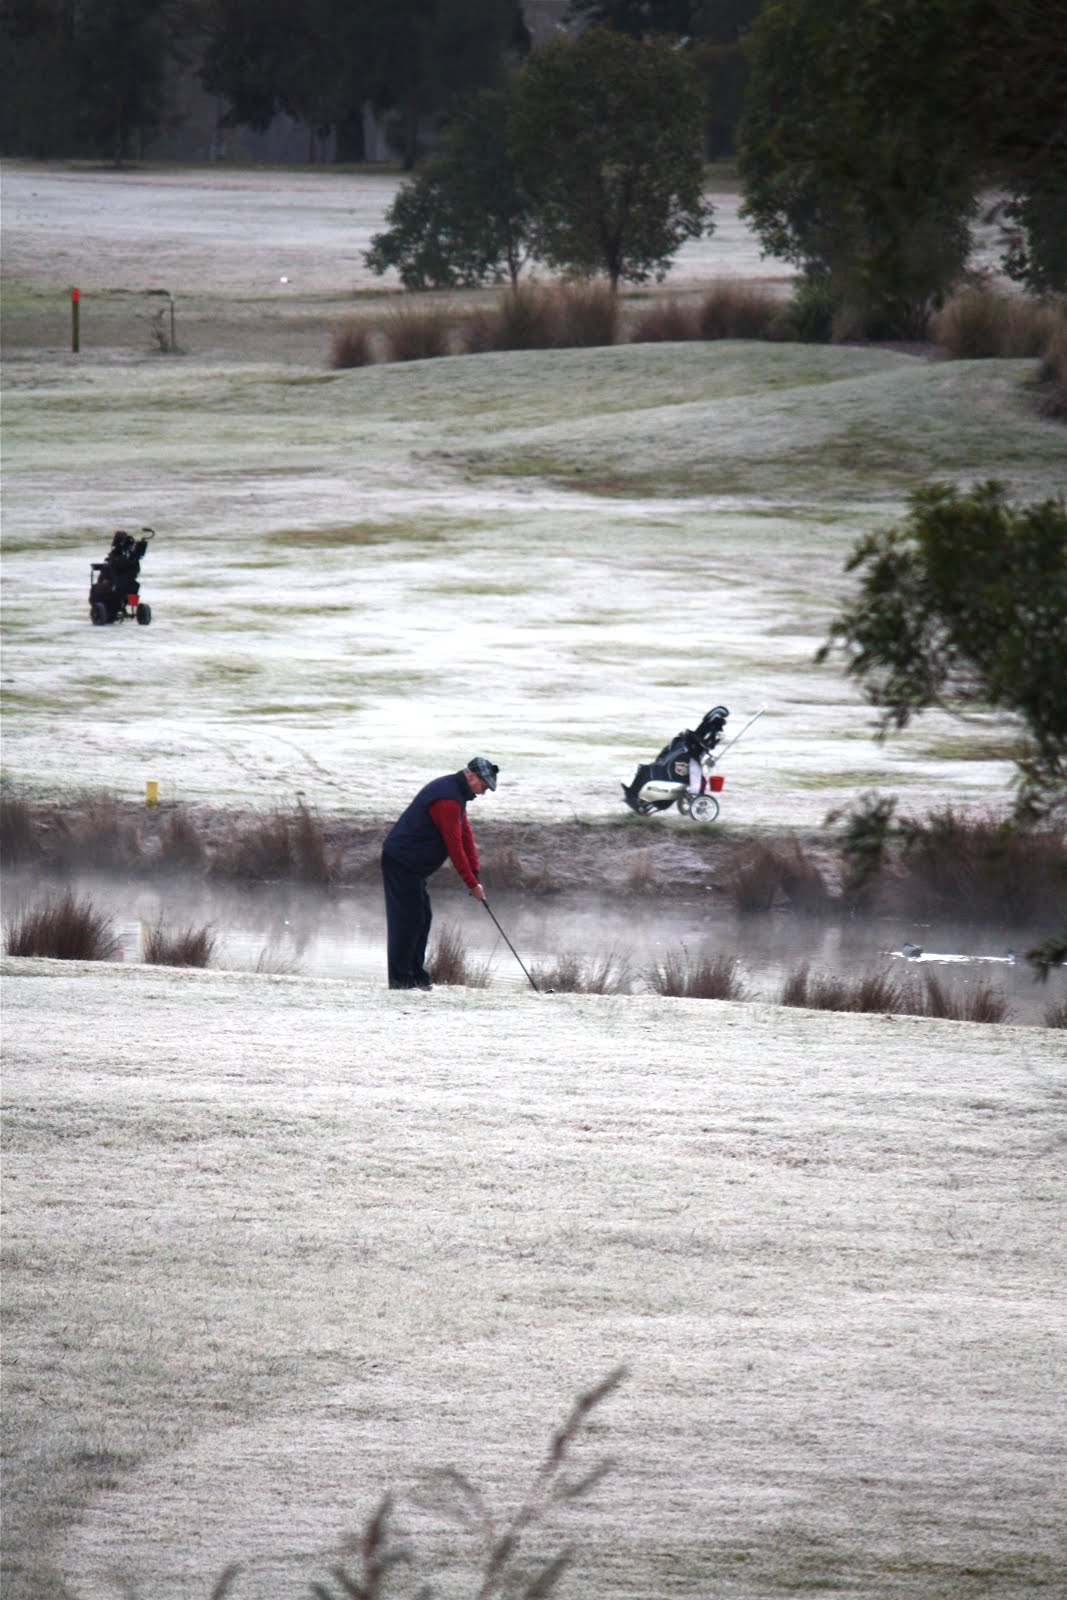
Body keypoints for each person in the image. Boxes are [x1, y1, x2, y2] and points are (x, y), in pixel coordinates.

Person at [380, 756, 499, 990]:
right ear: (471, 776)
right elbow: (454, 847)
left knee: (422, 918)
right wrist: (471, 884)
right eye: (483, 786)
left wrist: (474, 875)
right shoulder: (448, 799)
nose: (483, 792)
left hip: (413, 867)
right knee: (407, 921)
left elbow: (466, 835)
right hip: (402, 861)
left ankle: (415, 974)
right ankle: (400, 980)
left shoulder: (457, 794)